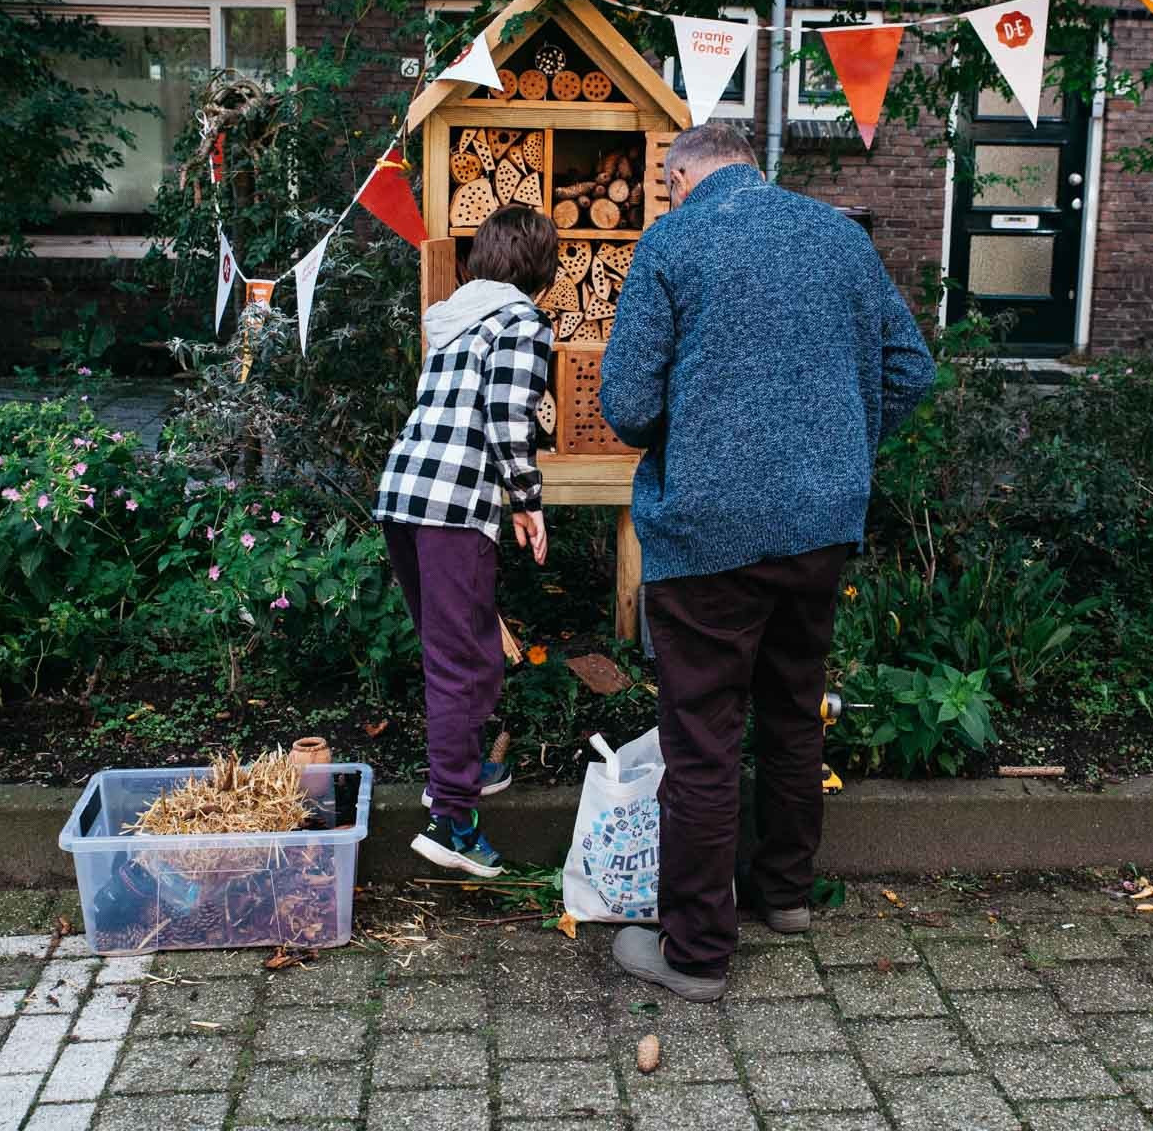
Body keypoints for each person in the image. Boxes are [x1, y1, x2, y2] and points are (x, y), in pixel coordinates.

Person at [599, 125, 935, 1000]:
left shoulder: (672, 241)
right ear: (752, 162)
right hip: (820, 525)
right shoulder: (837, 236)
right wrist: (843, 450)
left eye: (668, 183)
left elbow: (629, 406)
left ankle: (697, 953)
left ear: (681, 177)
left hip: (707, 533)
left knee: (704, 741)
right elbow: (910, 367)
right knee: (793, 711)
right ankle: (785, 896)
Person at [375, 205, 555, 878]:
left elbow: (457, 415)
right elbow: (509, 421)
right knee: (466, 664)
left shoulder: (453, 319)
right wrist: (529, 502)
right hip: (453, 508)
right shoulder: (522, 323)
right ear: (541, 268)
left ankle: (459, 771)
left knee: (453, 650)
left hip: (404, 497)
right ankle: (452, 818)